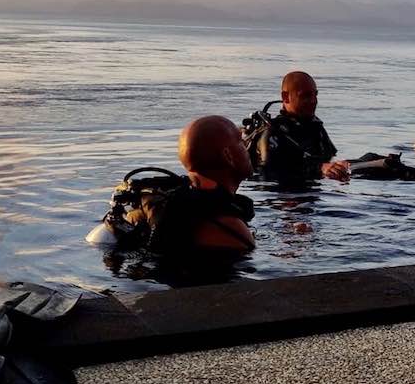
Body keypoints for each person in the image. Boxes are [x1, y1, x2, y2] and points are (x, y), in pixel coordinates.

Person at [88, 115, 255, 256]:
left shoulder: (157, 203)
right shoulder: (231, 231)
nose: (247, 146)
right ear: (228, 156)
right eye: (240, 142)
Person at [250, 71, 351, 182]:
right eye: (305, 96)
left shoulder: (316, 128)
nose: (313, 101)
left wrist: (341, 166)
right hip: (285, 192)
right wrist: (319, 168)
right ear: (285, 97)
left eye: (315, 95)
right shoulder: (272, 133)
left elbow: (330, 157)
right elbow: (270, 170)